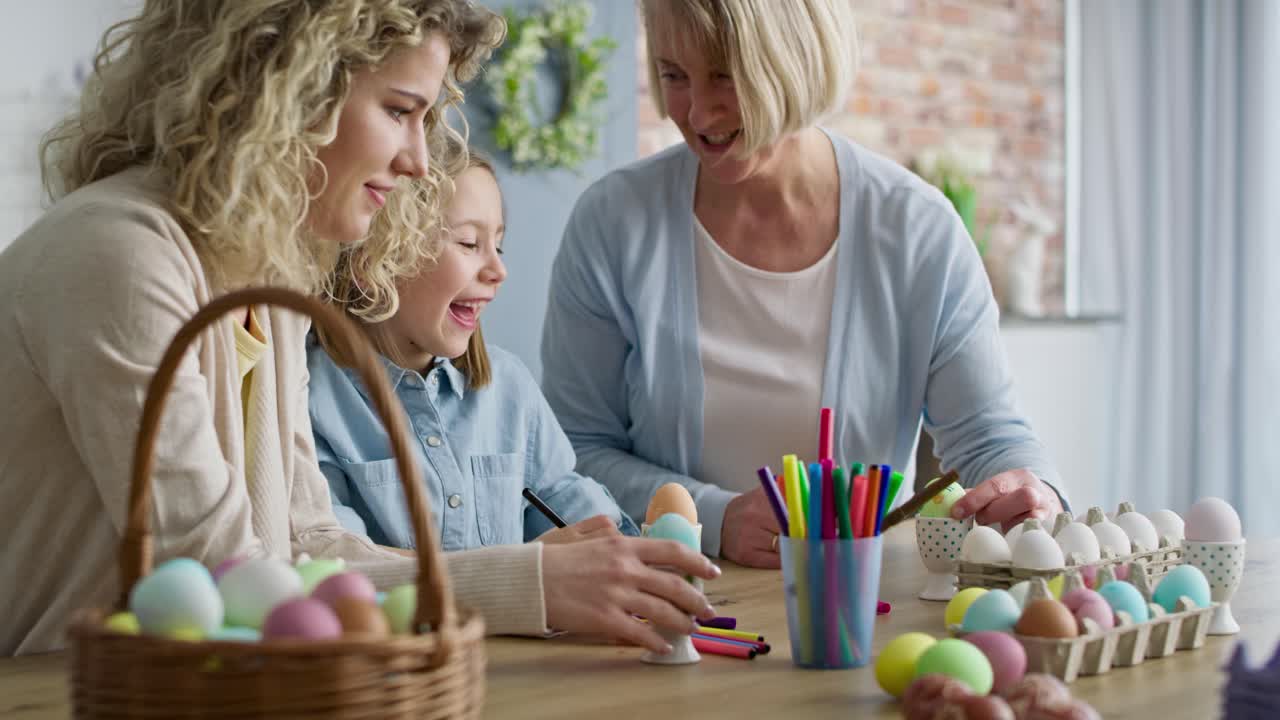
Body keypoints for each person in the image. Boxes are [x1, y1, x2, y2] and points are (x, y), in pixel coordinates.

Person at [0, 0, 714, 657]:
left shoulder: (266, 276)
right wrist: (530, 583)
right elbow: (226, 578)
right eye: (400, 111)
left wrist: (541, 573)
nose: (419, 161)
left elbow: (308, 545)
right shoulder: (120, 254)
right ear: (290, 89)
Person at [540, 0, 1067, 570]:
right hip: (670, 611)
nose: (696, 113)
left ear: (797, 61)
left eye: (726, 74)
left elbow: (989, 440)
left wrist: (1035, 495)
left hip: (854, 612)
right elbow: (574, 452)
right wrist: (713, 516)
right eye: (674, 75)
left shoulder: (918, 232)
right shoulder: (613, 223)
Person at [310, 145, 640, 551]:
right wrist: (520, 571)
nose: (498, 271)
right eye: (468, 243)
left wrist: (631, 546)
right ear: (372, 264)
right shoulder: (311, 398)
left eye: (497, 246)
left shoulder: (509, 387)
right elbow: (339, 561)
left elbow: (568, 503)